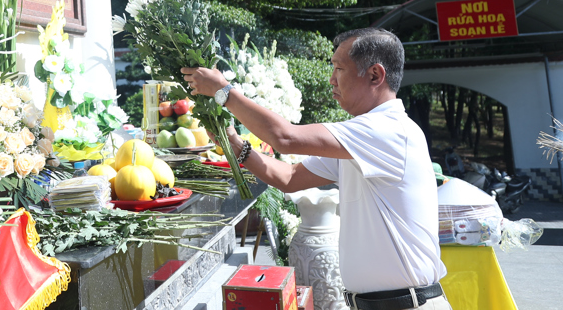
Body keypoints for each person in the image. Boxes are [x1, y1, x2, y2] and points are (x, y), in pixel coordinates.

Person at [182, 28, 451, 310]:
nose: (332, 79)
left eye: (339, 68)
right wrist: (236, 145)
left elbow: (286, 139)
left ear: (375, 75)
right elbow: (289, 177)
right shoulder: (364, 137)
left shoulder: (390, 130)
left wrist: (224, 91)